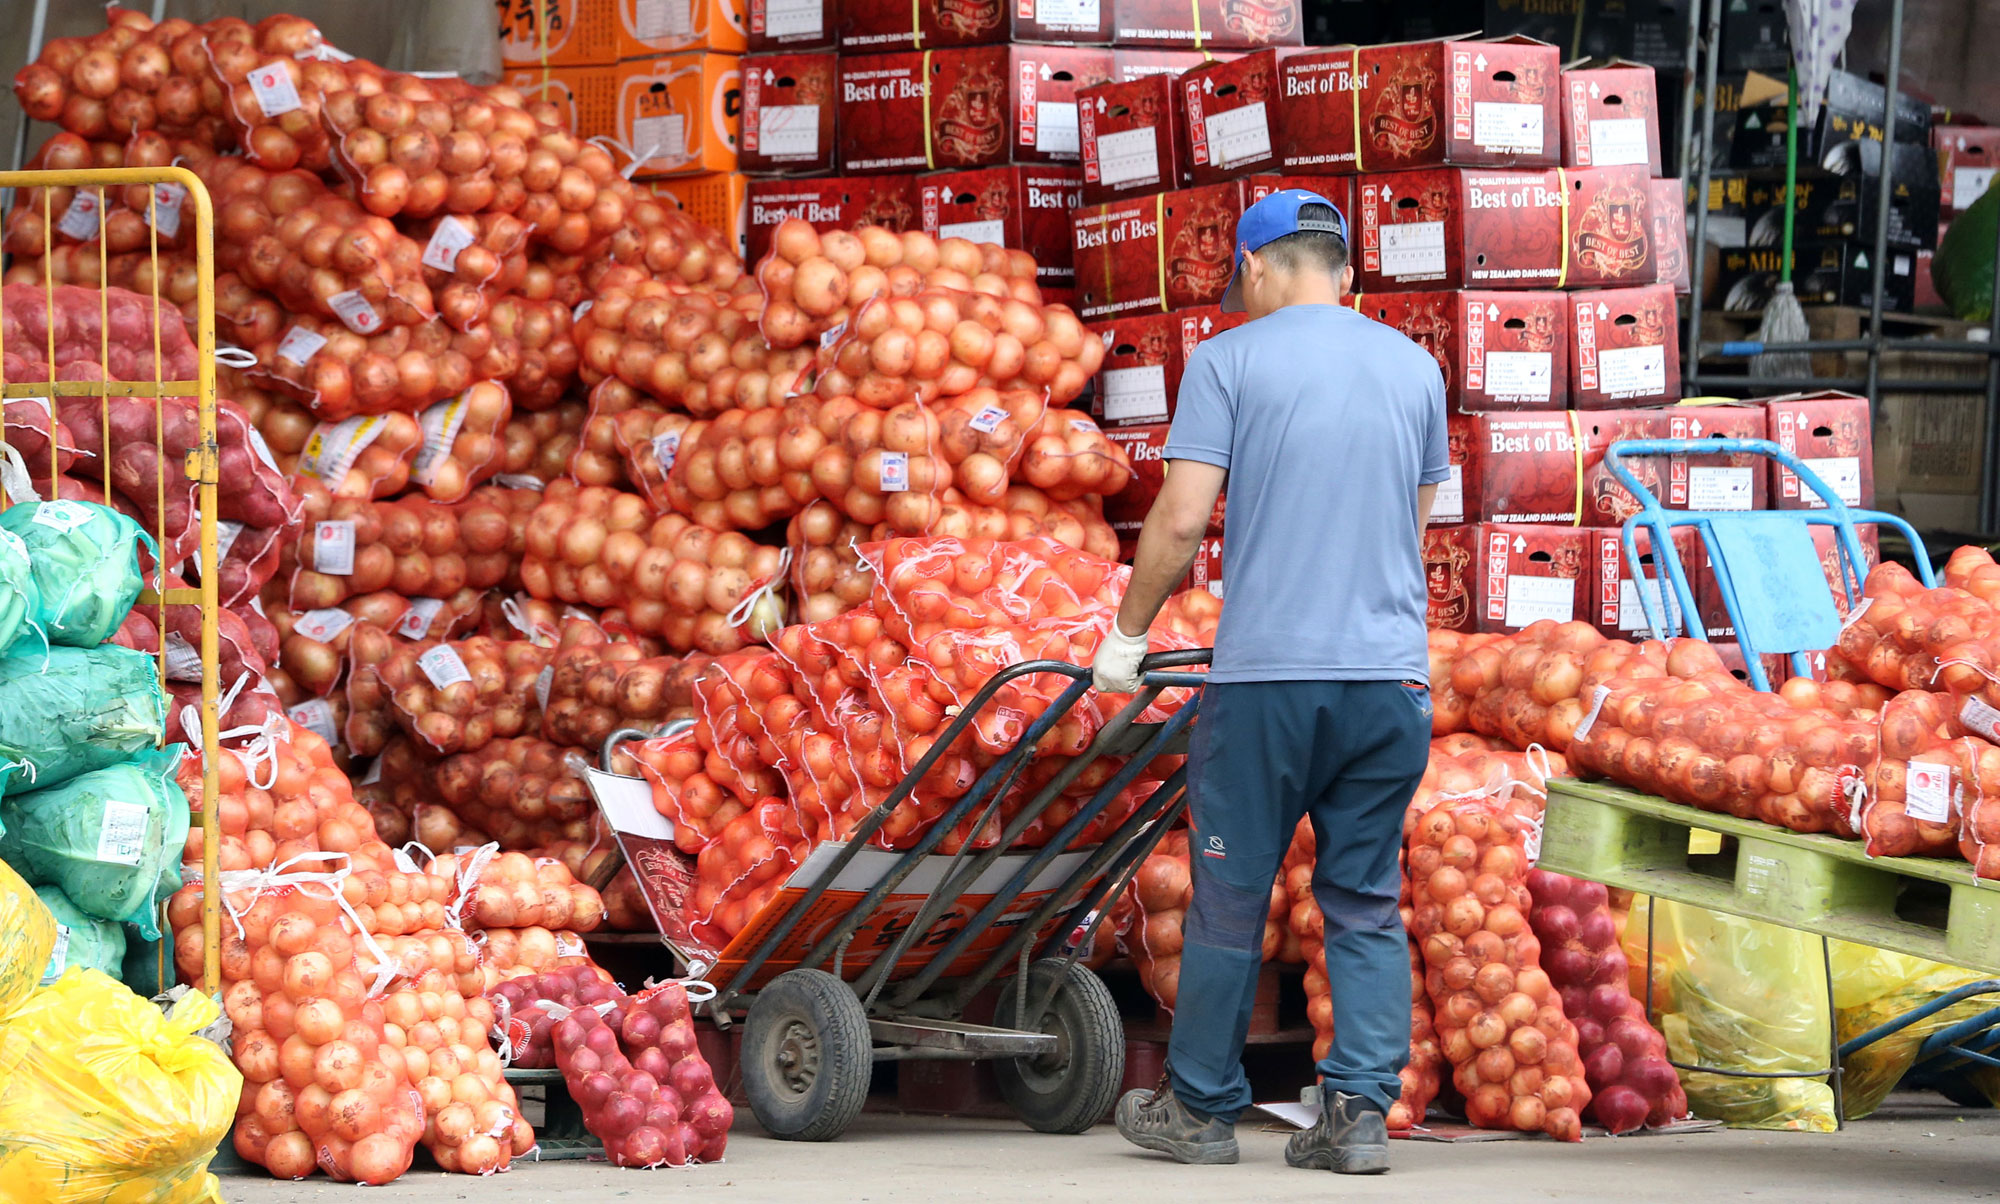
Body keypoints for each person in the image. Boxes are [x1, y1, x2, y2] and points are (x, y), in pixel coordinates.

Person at [1092, 189, 1448, 1174]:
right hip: (1388, 684)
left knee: (1228, 891)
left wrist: (1127, 634)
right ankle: (1357, 1116)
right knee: (1365, 896)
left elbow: (1177, 519)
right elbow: (1411, 530)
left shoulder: (1226, 360)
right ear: (1341, 269)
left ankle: (1200, 1109)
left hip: (1267, 684)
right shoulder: (1415, 369)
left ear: (1254, 267)